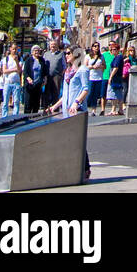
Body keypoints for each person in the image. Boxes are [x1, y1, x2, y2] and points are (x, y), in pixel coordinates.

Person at [51, 45, 91, 182]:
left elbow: (86, 89)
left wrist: (76, 102)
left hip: (77, 110)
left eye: (69, 53)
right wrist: (55, 106)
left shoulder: (82, 70)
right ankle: (72, 167)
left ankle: (85, 168)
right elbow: (66, 94)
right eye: (65, 53)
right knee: (68, 140)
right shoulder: (68, 71)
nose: (66, 55)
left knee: (78, 141)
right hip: (66, 111)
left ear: (77, 55)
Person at [0, 43, 23, 119]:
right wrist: (14, 69)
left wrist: (17, 62)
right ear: (10, 49)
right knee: (5, 101)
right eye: (13, 49)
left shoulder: (20, 58)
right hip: (8, 82)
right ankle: (4, 117)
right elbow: (4, 70)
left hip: (16, 82)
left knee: (16, 101)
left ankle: (15, 116)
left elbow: (19, 70)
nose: (14, 51)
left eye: (16, 49)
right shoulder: (6, 59)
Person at [42, 36, 65, 110]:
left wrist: (61, 74)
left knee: (55, 94)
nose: (53, 46)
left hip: (56, 76)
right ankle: (46, 109)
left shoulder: (61, 54)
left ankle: (55, 109)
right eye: (51, 44)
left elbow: (65, 66)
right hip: (47, 76)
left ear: (57, 45)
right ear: (49, 45)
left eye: (54, 45)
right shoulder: (46, 54)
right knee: (47, 93)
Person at [22, 44, 46, 113]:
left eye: (38, 51)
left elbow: (44, 71)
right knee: (28, 103)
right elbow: (25, 71)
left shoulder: (42, 60)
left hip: (38, 84)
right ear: (32, 52)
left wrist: (45, 79)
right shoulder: (28, 60)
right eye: (35, 51)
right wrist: (28, 78)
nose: (37, 52)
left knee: (36, 103)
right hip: (30, 85)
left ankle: (35, 117)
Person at [86, 42, 106, 114]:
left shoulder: (101, 56)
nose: (96, 47)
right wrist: (92, 67)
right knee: (89, 93)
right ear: (92, 47)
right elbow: (85, 67)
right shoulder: (88, 56)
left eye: (98, 46)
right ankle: (85, 107)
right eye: (95, 46)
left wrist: (100, 66)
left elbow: (104, 66)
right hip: (90, 77)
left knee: (95, 95)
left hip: (99, 78)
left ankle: (93, 110)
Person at [106, 45, 125, 116]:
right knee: (118, 94)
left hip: (116, 78)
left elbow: (116, 68)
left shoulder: (118, 57)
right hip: (117, 78)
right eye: (111, 50)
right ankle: (120, 109)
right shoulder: (116, 57)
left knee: (114, 94)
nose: (112, 51)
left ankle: (114, 110)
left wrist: (110, 77)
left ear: (118, 50)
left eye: (114, 49)